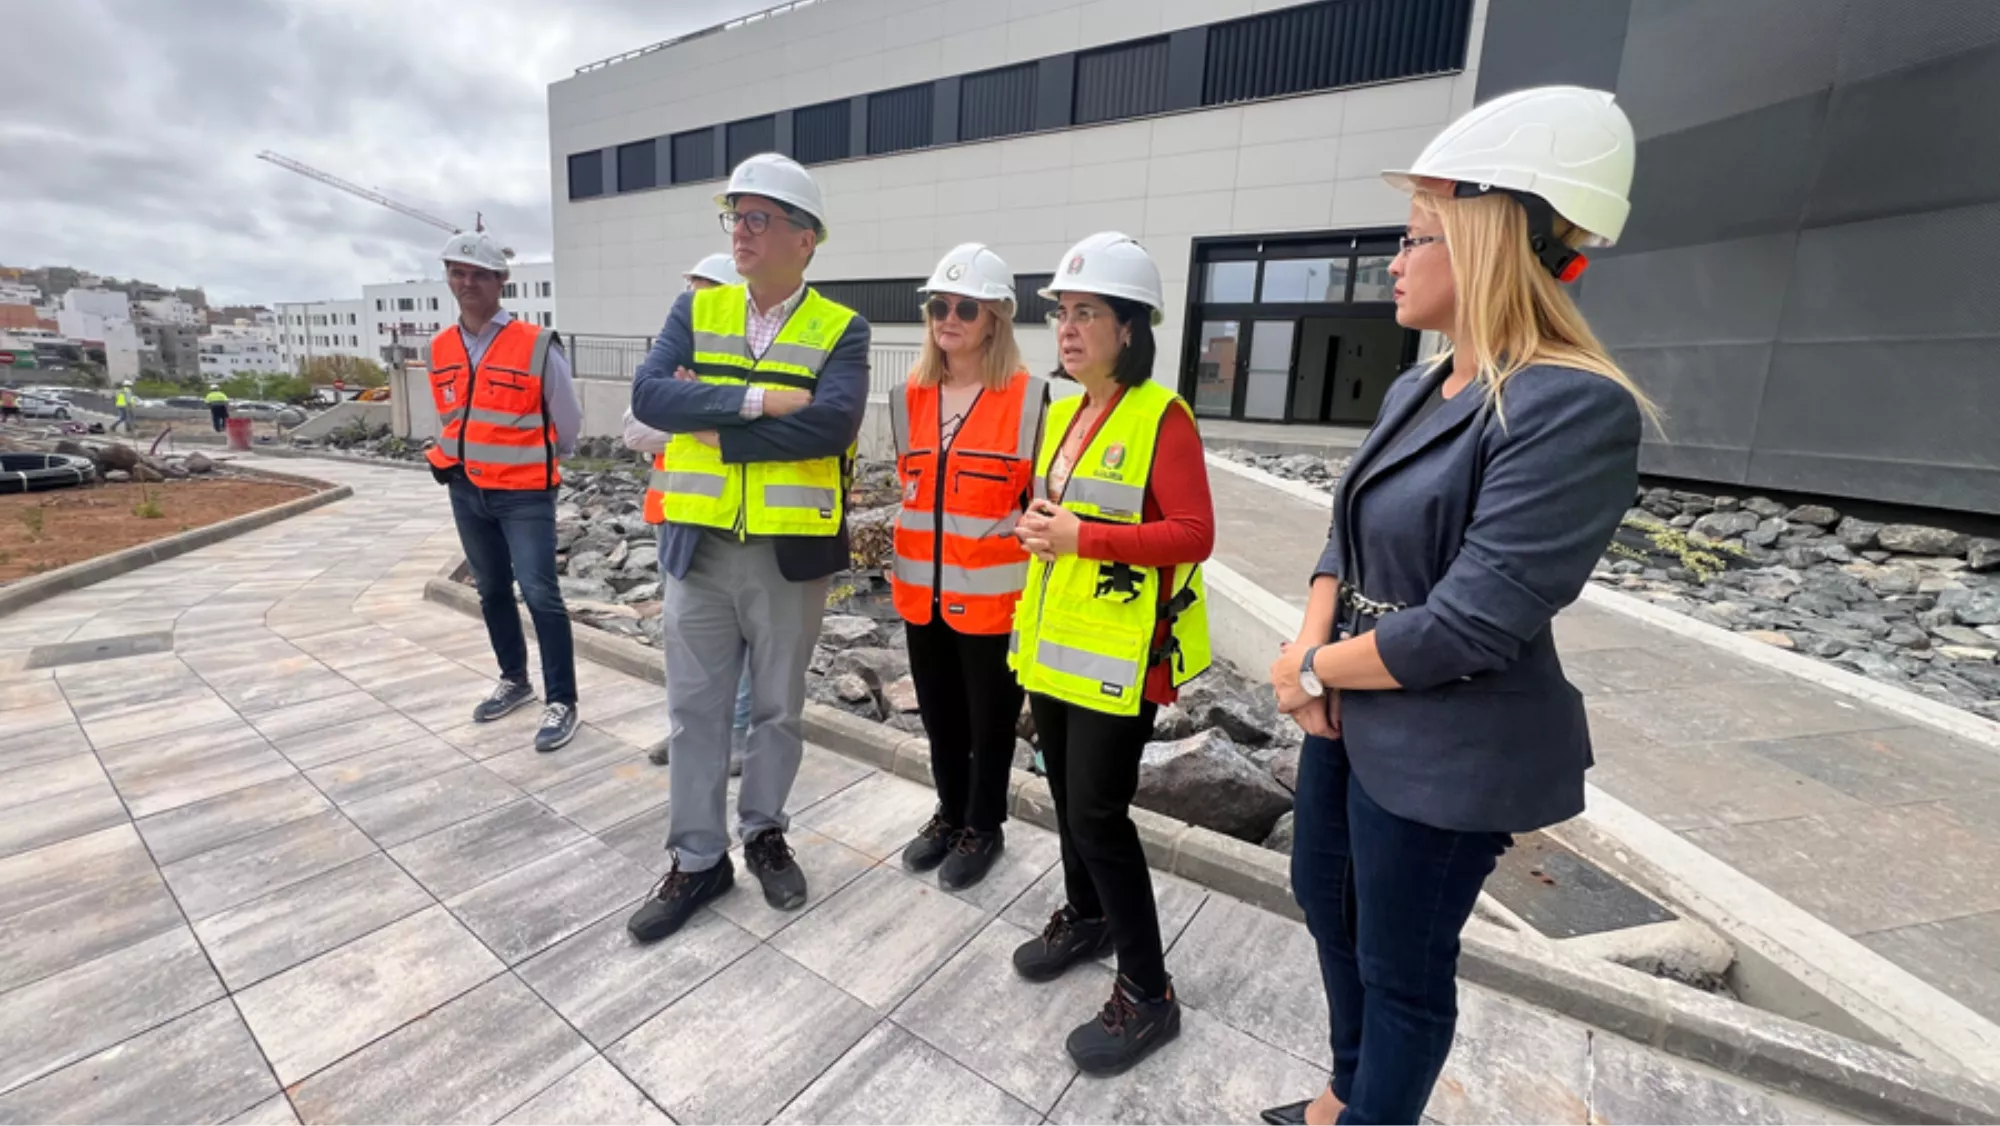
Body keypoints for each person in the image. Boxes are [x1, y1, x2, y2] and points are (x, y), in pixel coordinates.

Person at [1259, 86, 1655, 1126]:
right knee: (1325, 905)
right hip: (1347, 713)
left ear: (1483, 239)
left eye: (1414, 235)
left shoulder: (1570, 404)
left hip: (1444, 745)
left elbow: (1475, 620)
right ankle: (1343, 1093)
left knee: (1400, 968)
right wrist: (1309, 642)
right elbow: (1339, 537)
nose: (1392, 260)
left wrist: (1309, 670)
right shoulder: (1416, 387)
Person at [624, 153, 870, 943]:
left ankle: (764, 832)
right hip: (699, 550)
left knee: (777, 711)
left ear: (806, 239)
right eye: (736, 216)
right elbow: (650, 396)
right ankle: (698, 860)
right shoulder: (695, 311)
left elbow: (830, 425)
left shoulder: (843, 328)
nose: (743, 232)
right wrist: (761, 401)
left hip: (787, 556)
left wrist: (714, 428)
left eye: (760, 218)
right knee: (695, 712)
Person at [1007, 231, 1215, 1076]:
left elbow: (1194, 534)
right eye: (1062, 311)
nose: (1068, 326)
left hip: (1120, 658)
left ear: (1130, 328)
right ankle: (1085, 915)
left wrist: (1079, 535)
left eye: (1087, 312)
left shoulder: (1161, 416)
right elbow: (1059, 521)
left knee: (1098, 814)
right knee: (1067, 797)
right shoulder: (1064, 413)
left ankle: (1149, 991)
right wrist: (1039, 528)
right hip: (1058, 649)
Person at [889, 243, 1047, 891]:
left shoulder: (1032, 399)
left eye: (965, 307)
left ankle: (984, 825)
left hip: (992, 605)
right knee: (939, 720)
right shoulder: (909, 398)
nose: (947, 318)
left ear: (995, 318)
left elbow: (1042, 508)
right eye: (938, 306)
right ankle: (949, 812)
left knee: (990, 725)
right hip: (919, 599)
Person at [424, 229, 587, 754]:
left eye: (478, 274)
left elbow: (567, 421)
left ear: (501, 282)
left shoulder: (536, 344)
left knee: (540, 593)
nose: (466, 282)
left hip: (524, 494)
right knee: (490, 589)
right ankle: (514, 680)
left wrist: (531, 462)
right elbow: (454, 416)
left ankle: (562, 701)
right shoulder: (440, 348)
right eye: (457, 272)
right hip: (466, 489)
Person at [622, 251, 755, 772]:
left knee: (737, 639)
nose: (691, 303)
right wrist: (707, 413)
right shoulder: (671, 355)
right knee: (684, 638)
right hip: (674, 517)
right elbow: (634, 430)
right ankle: (688, 734)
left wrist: (686, 403)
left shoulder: (746, 357)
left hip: (732, 522)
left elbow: (753, 427)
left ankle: (737, 737)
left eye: (702, 292)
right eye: (691, 291)